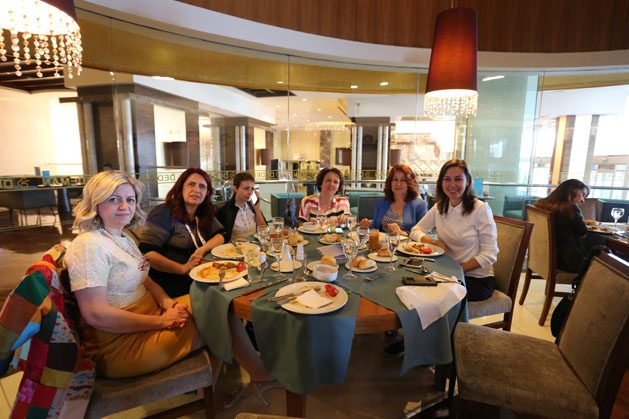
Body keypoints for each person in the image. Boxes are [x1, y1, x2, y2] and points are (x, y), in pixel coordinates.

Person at [64, 170, 275, 393]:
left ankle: (214, 390)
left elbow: (145, 279)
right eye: (114, 199)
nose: (124, 206)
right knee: (218, 320)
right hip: (119, 344)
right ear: (95, 201)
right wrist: (161, 321)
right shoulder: (88, 245)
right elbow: (96, 315)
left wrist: (167, 303)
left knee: (220, 305)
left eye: (130, 199)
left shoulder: (119, 237)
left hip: (147, 314)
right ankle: (249, 380)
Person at [410, 159, 499, 302]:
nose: (452, 185)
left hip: (476, 279)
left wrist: (456, 270)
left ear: (467, 182)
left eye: (458, 179)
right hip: (447, 273)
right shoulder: (440, 207)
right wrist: (433, 242)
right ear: (441, 182)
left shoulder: (480, 209)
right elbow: (416, 230)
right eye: (447, 179)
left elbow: (490, 254)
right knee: (410, 283)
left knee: (429, 295)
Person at [139, 168, 225, 298]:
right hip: (171, 279)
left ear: (207, 193)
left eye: (202, 187)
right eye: (191, 184)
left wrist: (202, 250)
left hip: (199, 272)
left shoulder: (202, 212)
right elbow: (147, 254)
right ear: (180, 188)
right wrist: (182, 268)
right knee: (220, 295)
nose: (197, 190)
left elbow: (221, 235)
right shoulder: (163, 212)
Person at [534, 179, 589, 273]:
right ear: (573, 191)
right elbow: (583, 234)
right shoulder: (571, 209)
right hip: (565, 261)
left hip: (542, 255)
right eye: (583, 194)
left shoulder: (542, 203)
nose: (583, 200)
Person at [359, 164, 427, 236]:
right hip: (382, 242)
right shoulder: (382, 202)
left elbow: (424, 234)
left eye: (403, 180)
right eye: (395, 179)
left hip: (406, 243)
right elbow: (375, 225)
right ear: (390, 182)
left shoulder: (420, 205)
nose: (398, 184)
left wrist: (401, 233)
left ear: (409, 183)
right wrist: (367, 225)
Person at [217, 171, 267, 242]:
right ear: (235, 188)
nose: (250, 192)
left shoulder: (253, 207)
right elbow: (221, 237)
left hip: (255, 246)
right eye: (246, 188)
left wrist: (257, 209)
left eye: (252, 188)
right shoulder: (225, 210)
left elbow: (264, 231)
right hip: (235, 247)